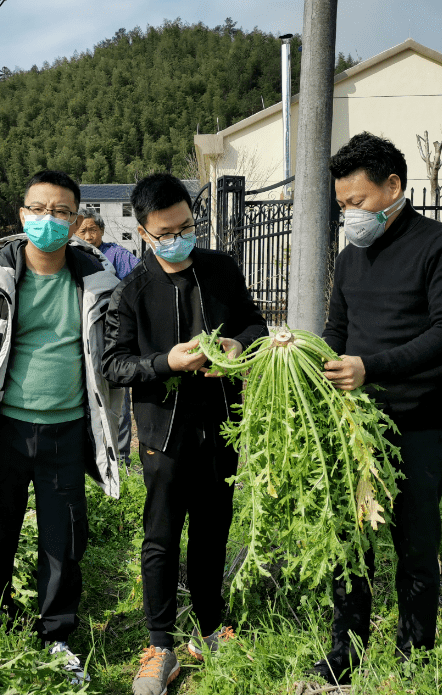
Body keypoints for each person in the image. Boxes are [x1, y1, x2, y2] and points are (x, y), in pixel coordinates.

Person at [0, 170, 122, 685]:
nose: (48, 220)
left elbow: (116, 354)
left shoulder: (98, 280)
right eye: (38, 210)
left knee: (64, 543)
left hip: (66, 432)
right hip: (4, 431)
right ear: (21, 216)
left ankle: (57, 635)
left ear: (76, 219)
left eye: (61, 212)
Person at [312, 132, 442, 685]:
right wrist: (313, 365)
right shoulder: (351, 256)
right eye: (341, 206)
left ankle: (414, 656)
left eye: (357, 203)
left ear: (394, 187)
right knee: (349, 546)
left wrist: (371, 368)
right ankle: (347, 652)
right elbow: (338, 330)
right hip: (354, 424)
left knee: (415, 544)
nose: (349, 216)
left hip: (418, 422)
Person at [102, 173, 268, 695]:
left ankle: (211, 626)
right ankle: (160, 644)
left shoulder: (220, 269)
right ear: (144, 233)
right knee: (161, 537)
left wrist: (242, 348)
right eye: (166, 231)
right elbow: (115, 364)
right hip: (162, 432)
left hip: (221, 425)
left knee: (214, 529)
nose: (179, 237)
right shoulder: (132, 290)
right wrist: (165, 362)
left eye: (186, 226)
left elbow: (255, 325)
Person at [75, 209, 139, 462]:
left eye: (93, 230)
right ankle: (88, 456)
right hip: (78, 336)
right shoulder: (68, 256)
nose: (89, 236)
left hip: (111, 336)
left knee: (116, 394)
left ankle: (120, 457)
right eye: (83, 231)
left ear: (101, 230)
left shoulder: (117, 256)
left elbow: (136, 286)